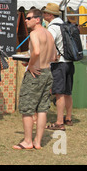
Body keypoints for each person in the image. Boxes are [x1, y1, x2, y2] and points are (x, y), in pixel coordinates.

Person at [14, 9, 56, 150]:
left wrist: (31, 65)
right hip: (47, 71)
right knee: (42, 108)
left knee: (27, 108)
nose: (26, 20)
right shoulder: (49, 34)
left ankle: (27, 141)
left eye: (29, 18)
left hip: (36, 73)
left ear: (37, 19)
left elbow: (36, 51)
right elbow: (54, 57)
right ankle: (38, 141)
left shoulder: (34, 34)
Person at [42, 3, 75, 131]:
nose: (44, 15)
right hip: (69, 62)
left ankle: (59, 122)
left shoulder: (53, 28)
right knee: (68, 92)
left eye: (45, 13)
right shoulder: (64, 24)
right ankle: (68, 118)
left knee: (59, 93)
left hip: (59, 63)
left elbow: (49, 42)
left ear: (50, 15)